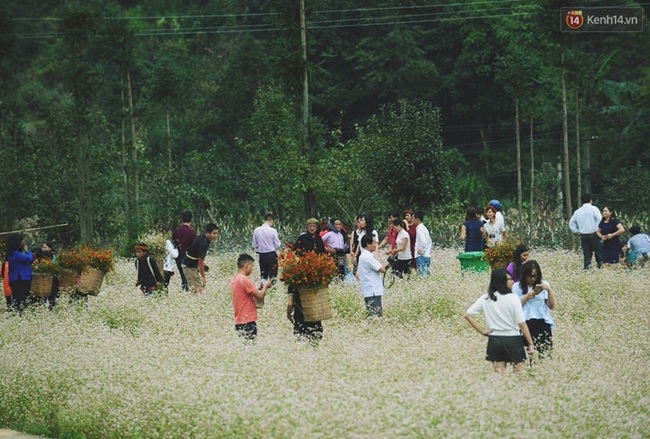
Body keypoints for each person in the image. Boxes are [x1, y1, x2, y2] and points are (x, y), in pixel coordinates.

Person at [465, 269, 536, 374]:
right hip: (513, 339)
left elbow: (468, 315)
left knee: (499, 375)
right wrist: (531, 344)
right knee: (520, 372)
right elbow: (522, 324)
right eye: (509, 279)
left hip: (495, 340)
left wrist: (483, 331)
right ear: (501, 281)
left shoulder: (486, 298)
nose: (512, 281)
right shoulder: (513, 298)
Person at [287, 218, 327, 341]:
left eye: (314, 226)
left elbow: (322, 253)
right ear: (307, 227)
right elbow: (296, 252)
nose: (311, 228)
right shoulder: (302, 238)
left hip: (316, 271)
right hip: (305, 269)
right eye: (309, 226)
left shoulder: (319, 239)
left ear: (317, 227)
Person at [512, 260, 556, 357]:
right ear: (524, 275)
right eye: (529, 276)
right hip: (525, 323)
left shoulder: (544, 284)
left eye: (535, 276)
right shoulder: (516, 286)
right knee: (526, 354)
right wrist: (527, 297)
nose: (532, 279)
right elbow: (514, 306)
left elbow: (551, 306)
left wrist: (549, 291)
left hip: (542, 322)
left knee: (545, 353)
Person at [231, 253, 272, 340]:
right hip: (248, 320)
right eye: (252, 266)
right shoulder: (244, 279)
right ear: (247, 265)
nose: (252, 269)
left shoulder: (235, 279)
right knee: (251, 346)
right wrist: (266, 286)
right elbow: (260, 296)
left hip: (239, 320)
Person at [183, 223, 220, 296]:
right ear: (208, 233)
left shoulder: (204, 238)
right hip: (189, 266)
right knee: (197, 290)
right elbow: (201, 261)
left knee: (198, 290)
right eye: (214, 233)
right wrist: (203, 277)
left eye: (217, 233)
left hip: (192, 265)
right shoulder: (204, 242)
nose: (216, 235)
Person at [569, 193, 603, 269]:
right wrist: (598, 229)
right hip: (594, 234)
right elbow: (600, 219)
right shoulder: (594, 209)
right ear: (591, 200)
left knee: (587, 255)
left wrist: (577, 231)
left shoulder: (578, 211)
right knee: (599, 253)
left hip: (583, 235)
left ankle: (587, 269)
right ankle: (600, 268)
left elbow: (571, 223)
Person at [358, 234, 387, 318]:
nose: (376, 245)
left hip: (368, 289)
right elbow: (382, 269)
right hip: (373, 290)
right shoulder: (368, 257)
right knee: (376, 316)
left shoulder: (362, 256)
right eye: (374, 243)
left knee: (371, 314)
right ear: (368, 244)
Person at [6, 234, 34, 311]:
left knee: (20, 300)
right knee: (20, 300)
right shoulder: (15, 254)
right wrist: (27, 250)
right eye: (22, 240)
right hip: (20, 279)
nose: (24, 242)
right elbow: (29, 258)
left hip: (19, 279)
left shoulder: (13, 253)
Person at [172, 211, 197, 292]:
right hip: (189, 258)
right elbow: (195, 247)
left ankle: (184, 291)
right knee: (190, 277)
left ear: (182, 219)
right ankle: (190, 293)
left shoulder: (176, 232)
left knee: (183, 277)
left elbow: (174, 244)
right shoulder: (192, 233)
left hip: (178, 257)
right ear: (191, 220)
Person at [252, 214, 282, 281]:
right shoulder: (273, 231)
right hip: (271, 254)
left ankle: (263, 288)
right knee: (273, 274)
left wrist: (260, 247)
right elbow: (278, 245)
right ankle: (273, 288)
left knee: (263, 274)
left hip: (262, 255)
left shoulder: (256, 230)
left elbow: (254, 245)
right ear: (271, 220)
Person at [38, 242, 59, 308]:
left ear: (50, 248)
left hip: (53, 280)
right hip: (44, 281)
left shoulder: (54, 257)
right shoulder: (41, 256)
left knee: (52, 297)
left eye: (45, 247)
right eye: (42, 247)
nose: (43, 249)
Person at [413, 210, 432, 276]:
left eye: (413, 218)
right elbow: (429, 241)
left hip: (421, 255)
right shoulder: (424, 228)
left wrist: (422, 250)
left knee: (422, 275)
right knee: (426, 273)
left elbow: (423, 241)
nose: (412, 220)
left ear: (417, 219)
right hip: (427, 255)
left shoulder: (420, 229)